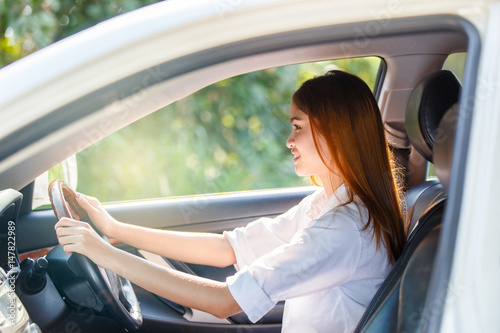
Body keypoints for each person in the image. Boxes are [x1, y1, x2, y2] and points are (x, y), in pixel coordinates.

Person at [55, 70, 406, 332]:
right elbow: (227, 249)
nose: (289, 140)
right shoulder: (327, 205)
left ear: (335, 132)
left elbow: (224, 302)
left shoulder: (344, 228)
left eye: (297, 126)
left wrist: (106, 256)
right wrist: (116, 230)